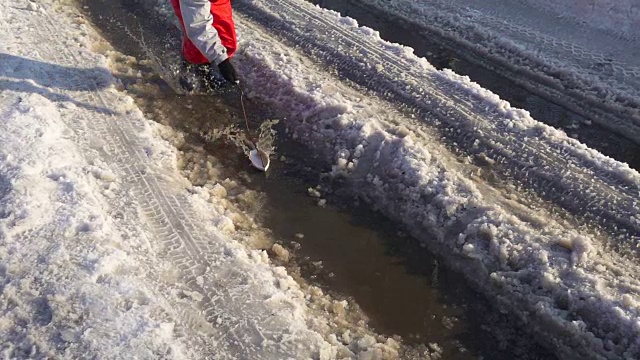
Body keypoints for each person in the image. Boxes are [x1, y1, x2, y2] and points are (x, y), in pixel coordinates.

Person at [170, 0, 239, 91]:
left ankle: (208, 61)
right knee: (197, 48)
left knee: (227, 41)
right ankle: (192, 67)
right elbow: (198, 26)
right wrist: (222, 61)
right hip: (192, 5)